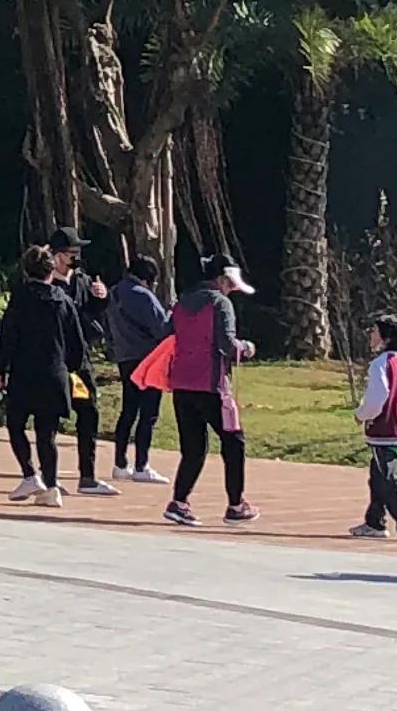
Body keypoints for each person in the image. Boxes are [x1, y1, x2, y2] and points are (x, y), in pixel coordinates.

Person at [156, 254, 257, 526]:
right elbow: (225, 344)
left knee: (193, 447)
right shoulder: (220, 303)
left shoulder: (181, 304)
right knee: (234, 442)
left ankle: (179, 501)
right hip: (211, 385)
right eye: (230, 284)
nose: (230, 290)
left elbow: (167, 334)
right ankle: (236, 504)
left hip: (181, 384)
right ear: (223, 279)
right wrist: (244, 348)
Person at [0, 241, 80, 506]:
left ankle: (30, 473)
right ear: (51, 270)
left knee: (16, 425)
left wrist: (0, 369)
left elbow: (8, 337)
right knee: (47, 434)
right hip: (54, 372)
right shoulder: (64, 301)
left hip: (24, 373)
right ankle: (52, 487)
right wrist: (70, 366)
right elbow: (77, 344)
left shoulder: (21, 298)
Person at [52, 225, 113, 495]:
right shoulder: (44, 283)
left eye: (78, 250)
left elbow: (93, 313)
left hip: (80, 358)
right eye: (70, 251)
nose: (75, 256)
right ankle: (48, 475)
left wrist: (102, 297)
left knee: (88, 411)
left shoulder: (83, 281)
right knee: (51, 416)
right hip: (54, 359)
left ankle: (87, 476)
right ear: (56, 255)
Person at [105, 254, 172, 482]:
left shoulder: (113, 293)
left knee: (128, 411)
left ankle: (120, 463)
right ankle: (142, 465)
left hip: (125, 357)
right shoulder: (144, 296)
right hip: (148, 360)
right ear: (149, 278)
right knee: (149, 413)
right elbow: (162, 329)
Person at [351, 313, 397, 541]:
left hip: (384, 430)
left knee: (388, 478)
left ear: (385, 338)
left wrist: (361, 414)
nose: (371, 334)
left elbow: (377, 397)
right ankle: (374, 521)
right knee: (378, 477)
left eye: (375, 331)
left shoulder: (380, 364)